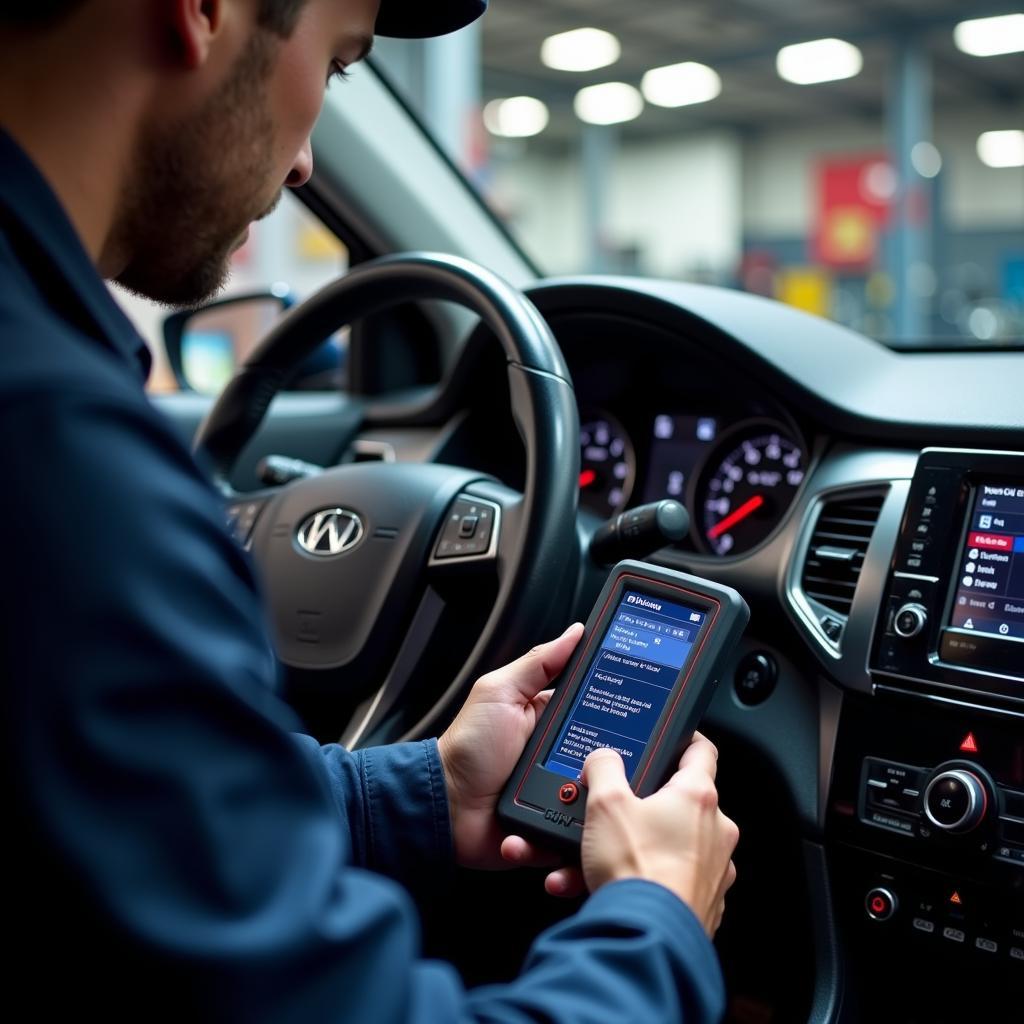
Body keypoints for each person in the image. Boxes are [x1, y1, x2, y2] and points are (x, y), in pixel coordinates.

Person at [0, 1, 739, 1020]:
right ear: (205, 10)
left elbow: (121, 816)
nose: (306, 164)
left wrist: (422, 789)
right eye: (340, 66)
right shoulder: (65, 467)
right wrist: (657, 918)